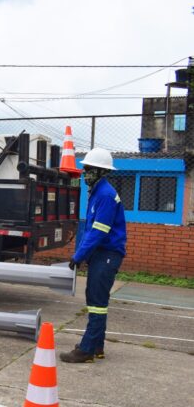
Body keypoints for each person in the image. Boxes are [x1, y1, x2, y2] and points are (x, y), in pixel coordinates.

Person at [60, 148, 126, 363]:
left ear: (100, 172)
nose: (84, 173)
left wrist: (79, 256)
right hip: (102, 254)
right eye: (85, 169)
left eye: (88, 169)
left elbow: (99, 230)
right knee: (95, 298)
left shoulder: (105, 195)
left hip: (107, 254)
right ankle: (97, 345)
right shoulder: (98, 192)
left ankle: (87, 350)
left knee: (97, 301)